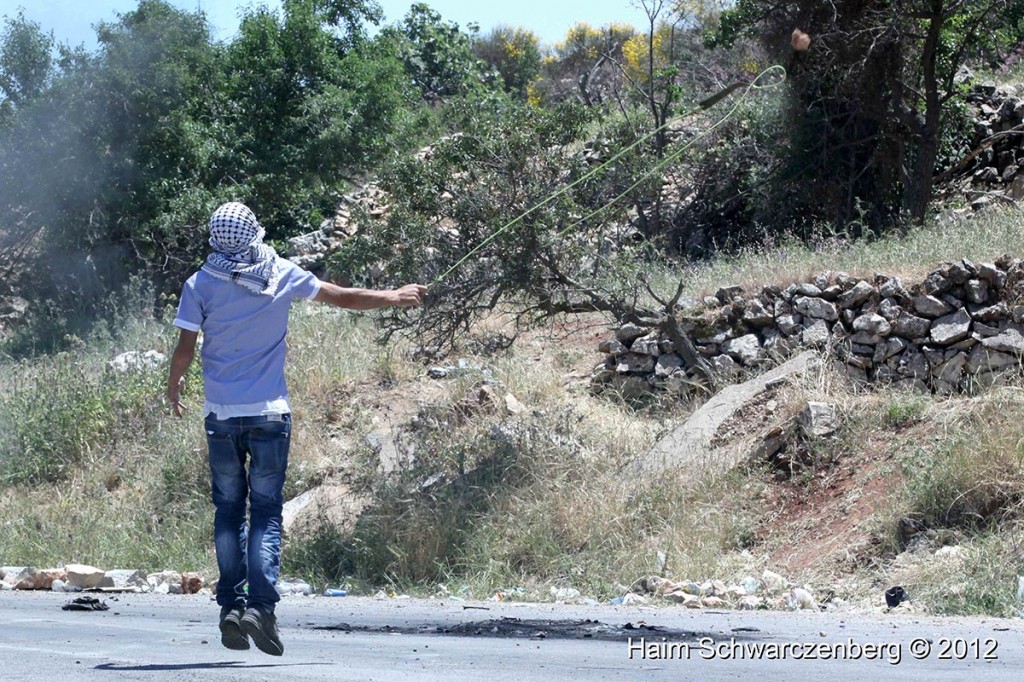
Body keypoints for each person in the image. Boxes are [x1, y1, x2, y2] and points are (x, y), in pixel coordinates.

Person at [166, 202, 426, 655]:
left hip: (221, 416)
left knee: (229, 511)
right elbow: (341, 296)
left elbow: (186, 346)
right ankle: (261, 609)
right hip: (270, 413)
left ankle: (230, 605)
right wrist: (393, 295)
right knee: (265, 512)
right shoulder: (278, 272)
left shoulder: (199, 283)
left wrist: (174, 385)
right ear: (252, 233)